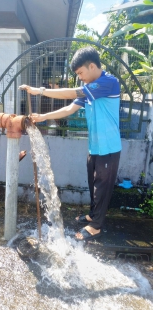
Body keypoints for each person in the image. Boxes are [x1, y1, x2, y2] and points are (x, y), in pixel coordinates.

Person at [19, 46, 121, 241]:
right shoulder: (90, 91)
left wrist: (40, 91)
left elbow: (70, 93)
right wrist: (42, 117)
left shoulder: (108, 83)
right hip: (95, 146)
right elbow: (69, 109)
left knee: (102, 186)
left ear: (92, 66)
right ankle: (93, 215)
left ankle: (96, 226)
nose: (80, 77)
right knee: (93, 183)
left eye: (81, 73)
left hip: (109, 148)